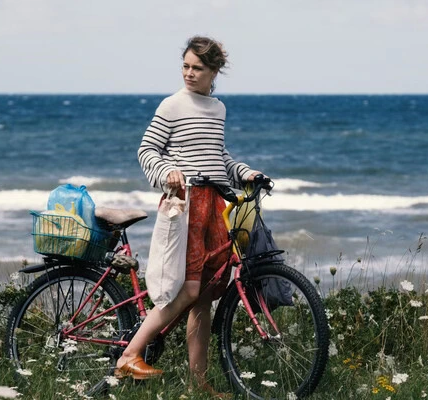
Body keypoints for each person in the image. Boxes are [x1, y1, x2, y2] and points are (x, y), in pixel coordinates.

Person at [115, 35, 264, 397]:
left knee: (204, 298)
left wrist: (244, 172)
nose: (189, 73)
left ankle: (199, 385)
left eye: (197, 68)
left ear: (214, 71)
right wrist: (167, 171)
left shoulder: (218, 109)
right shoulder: (172, 105)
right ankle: (129, 355)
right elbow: (147, 149)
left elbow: (217, 156)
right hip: (185, 205)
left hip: (214, 206)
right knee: (188, 290)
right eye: (185, 66)